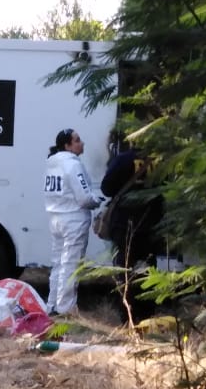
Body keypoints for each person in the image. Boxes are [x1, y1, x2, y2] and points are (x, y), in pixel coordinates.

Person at [101, 134, 166, 320]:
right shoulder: (158, 162)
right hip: (151, 223)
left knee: (124, 270)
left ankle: (126, 316)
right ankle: (148, 312)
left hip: (125, 224)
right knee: (149, 270)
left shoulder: (123, 160)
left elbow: (106, 188)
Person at [43, 128, 104, 315]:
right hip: (74, 220)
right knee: (71, 264)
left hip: (56, 218)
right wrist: (97, 200)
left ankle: (52, 305)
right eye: (77, 140)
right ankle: (66, 309)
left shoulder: (51, 164)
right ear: (67, 146)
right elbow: (84, 198)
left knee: (58, 264)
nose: (81, 143)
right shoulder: (73, 165)